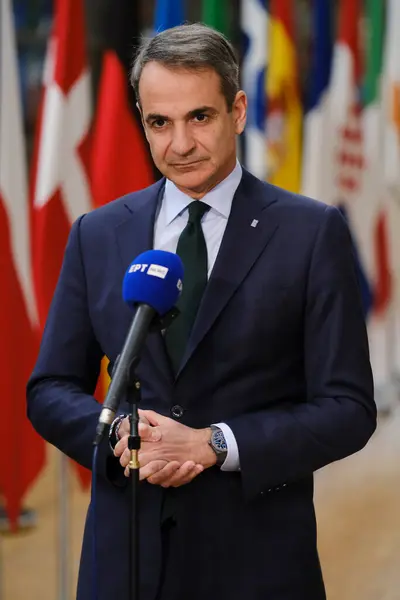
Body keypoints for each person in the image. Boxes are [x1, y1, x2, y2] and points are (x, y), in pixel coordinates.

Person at [27, 23, 376, 600]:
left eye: (200, 118)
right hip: (126, 562)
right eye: (158, 123)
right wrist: (118, 432)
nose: (179, 145)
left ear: (238, 110)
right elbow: (49, 389)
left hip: (256, 562)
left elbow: (348, 408)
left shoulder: (312, 233)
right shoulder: (98, 233)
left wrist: (215, 443)